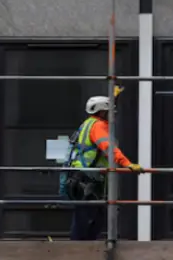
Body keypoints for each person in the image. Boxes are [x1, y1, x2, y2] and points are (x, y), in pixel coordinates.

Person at [60, 90, 142, 240]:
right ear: (102, 112)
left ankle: (84, 252)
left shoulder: (89, 123)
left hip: (83, 176)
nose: (114, 115)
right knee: (86, 218)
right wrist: (127, 163)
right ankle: (77, 254)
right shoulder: (98, 126)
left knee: (93, 217)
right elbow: (109, 148)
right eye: (111, 112)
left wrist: (114, 97)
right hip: (87, 178)